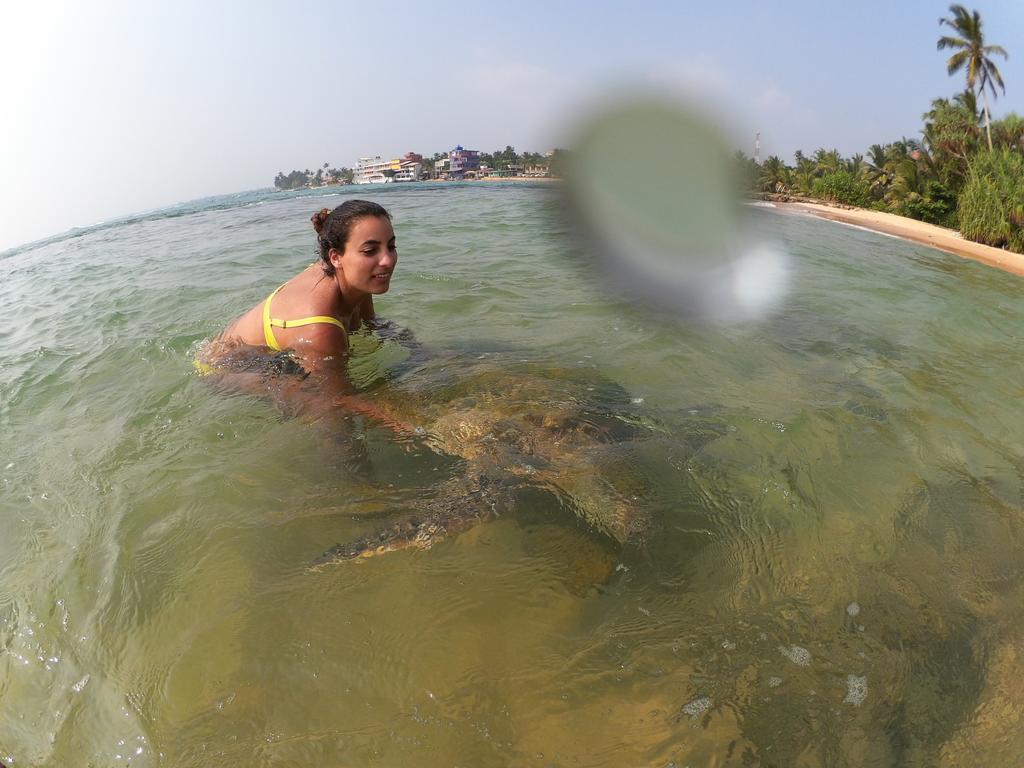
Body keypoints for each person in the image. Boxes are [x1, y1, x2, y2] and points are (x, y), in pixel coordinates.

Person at [199, 199, 414, 433]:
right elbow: (338, 400)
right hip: (224, 365)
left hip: (258, 352)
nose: (387, 260)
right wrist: (409, 425)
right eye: (371, 251)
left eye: (391, 247)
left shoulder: (357, 277)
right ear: (335, 257)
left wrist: (420, 351)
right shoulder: (321, 329)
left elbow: (373, 326)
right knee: (329, 412)